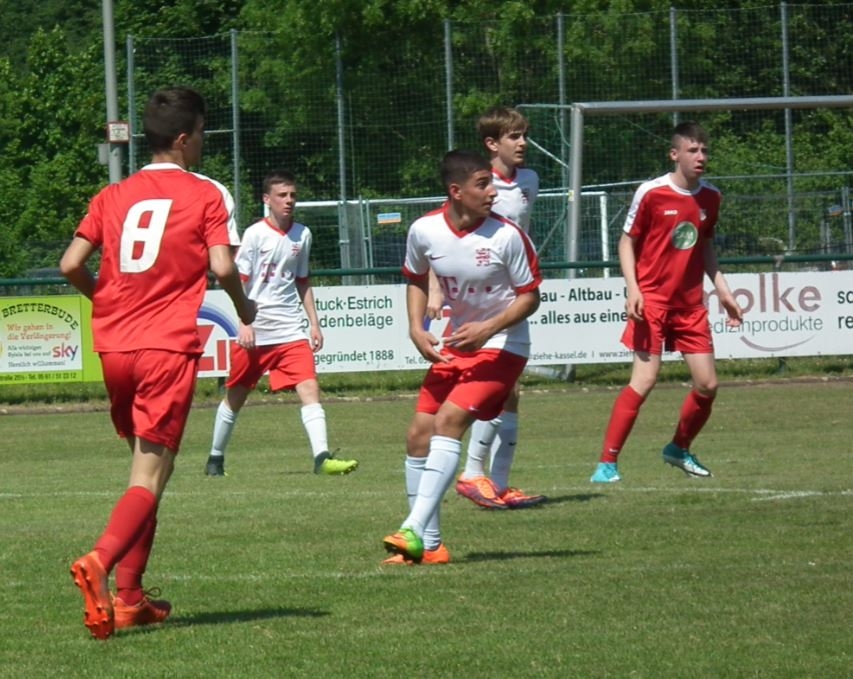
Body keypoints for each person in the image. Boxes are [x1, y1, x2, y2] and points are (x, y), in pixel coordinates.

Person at [61, 86, 256, 639]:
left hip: (114, 348)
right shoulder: (206, 194)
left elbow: (71, 263)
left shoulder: (113, 194)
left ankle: (131, 598)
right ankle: (100, 561)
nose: (203, 142)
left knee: (148, 472)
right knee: (151, 473)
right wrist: (245, 307)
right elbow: (223, 266)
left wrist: (106, 301)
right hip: (165, 346)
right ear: (183, 138)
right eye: (202, 133)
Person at [382, 149, 542, 565]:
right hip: (458, 344)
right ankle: (432, 546)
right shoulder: (424, 230)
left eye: (492, 184)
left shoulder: (507, 235)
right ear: (456, 191)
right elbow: (416, 278)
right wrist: (415, 328)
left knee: (448, 422)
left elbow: (531, 298)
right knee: (418, 435)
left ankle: (411, 529)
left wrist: (488, 329)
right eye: (482, 185)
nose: (493, 193)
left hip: (505, 345)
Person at [590, 121, 744, 484]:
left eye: (704, 150)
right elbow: (626, 242)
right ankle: (607, 464)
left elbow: (705, 246)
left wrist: (723, 290)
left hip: (690, 307)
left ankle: (678, 448)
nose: (700, 156)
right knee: (644, 380)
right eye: (692, 150)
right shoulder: (652, 193)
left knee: (708, 385)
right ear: (674, 154)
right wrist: (633, 289)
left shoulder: (712, 197)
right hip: (652, 303)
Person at [204, 170, 358, 477]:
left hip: (290, 330)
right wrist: (244, 323)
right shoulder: (254, 234)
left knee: (309, 387)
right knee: (235, 396)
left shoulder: (303, 234)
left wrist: (314, 323)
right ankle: (215, 459)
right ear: (267, 200)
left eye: (292, 195)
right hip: (257, 329)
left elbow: (302, 281)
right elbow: (239, 281)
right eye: (282, 195)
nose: (289, 201)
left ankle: (322, 458)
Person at [428, 106, 544, 510]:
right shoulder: (475, 184)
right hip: (482, 300)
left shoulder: (529, 180)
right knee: (498, 387)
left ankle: (497, 482)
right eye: (514, 136)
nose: (523, 143)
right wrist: (435, 289)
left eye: (524, 134)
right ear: (492, 144)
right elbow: (442, 238)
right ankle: (475, 473)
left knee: (511, 393)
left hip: (512, 292)